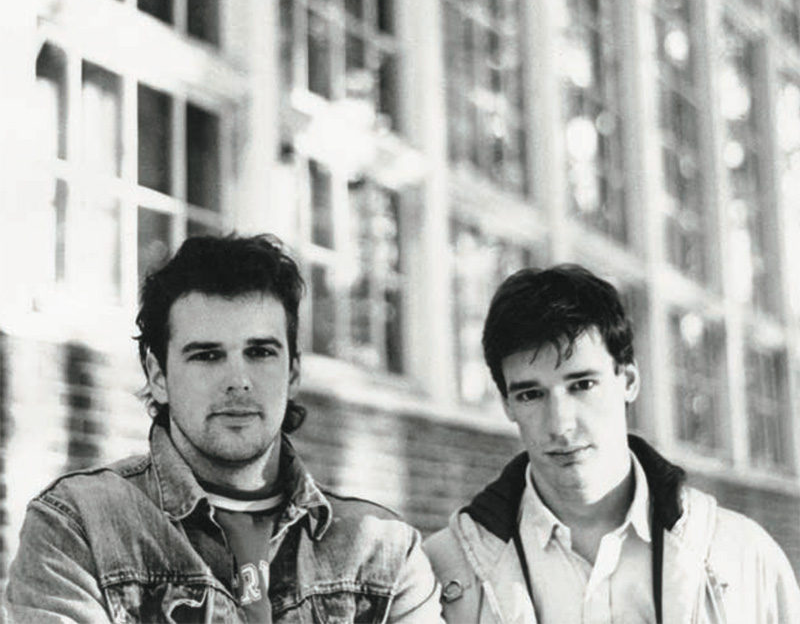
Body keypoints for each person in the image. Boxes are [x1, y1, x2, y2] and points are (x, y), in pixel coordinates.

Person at [5, 234, 442, 623]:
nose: (238, 379)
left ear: (292, 373)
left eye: (260, 352)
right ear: (158, 376)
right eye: (208, 355)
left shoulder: (380, 552)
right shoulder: (80, 525)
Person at [424, 264, 800, 624]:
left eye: (582, 385)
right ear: (507, 403)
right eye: (531, 395)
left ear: (629, 380)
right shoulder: (443, 572)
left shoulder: (744, 556)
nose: (560, 424)